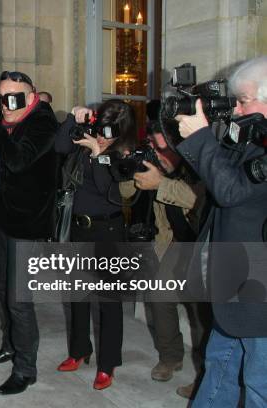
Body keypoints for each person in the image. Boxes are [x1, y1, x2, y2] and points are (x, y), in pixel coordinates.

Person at [174, 56, 267, 407]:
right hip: (235, 281)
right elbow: (217, 178)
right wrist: (203, 129)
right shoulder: (252, 134)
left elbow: (230, 192)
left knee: (260, 386)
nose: (237, 110)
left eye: (243, 101)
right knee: (220, 368)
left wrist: (200, 137)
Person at [0, 70, 58, 395]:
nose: (6, 105)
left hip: (30, 225)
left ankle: (26, 369)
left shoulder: (42, 121)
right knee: (1, 288)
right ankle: (10, 345)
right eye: (1, 97)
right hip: (8, 219)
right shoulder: (13, 117)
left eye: (14, 99)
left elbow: (18, 160)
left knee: (20, 301)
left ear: (32, 94)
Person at [55, 99, 137, 390]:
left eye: (111, 129)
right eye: (101, 125)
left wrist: (98, 151)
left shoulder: (125, 153)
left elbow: (109, 191)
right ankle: (79, 350)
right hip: (79, 227)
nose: (103, 133)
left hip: (108, 231)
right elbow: (60, 148)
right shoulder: (87, 138)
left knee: (108, 302)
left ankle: (107, 364)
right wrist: (71, 119)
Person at [131, 122, 211, 396]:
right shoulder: (157, 168)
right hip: (175, 245)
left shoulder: (201, 164)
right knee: (159, 297)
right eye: (151, 145)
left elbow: (197, 200)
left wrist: (161, 183)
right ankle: (170, 356)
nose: (155, 151)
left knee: (201, 317)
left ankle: (205, 376)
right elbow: (125, 196)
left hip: (205, 247)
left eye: (159, 146)